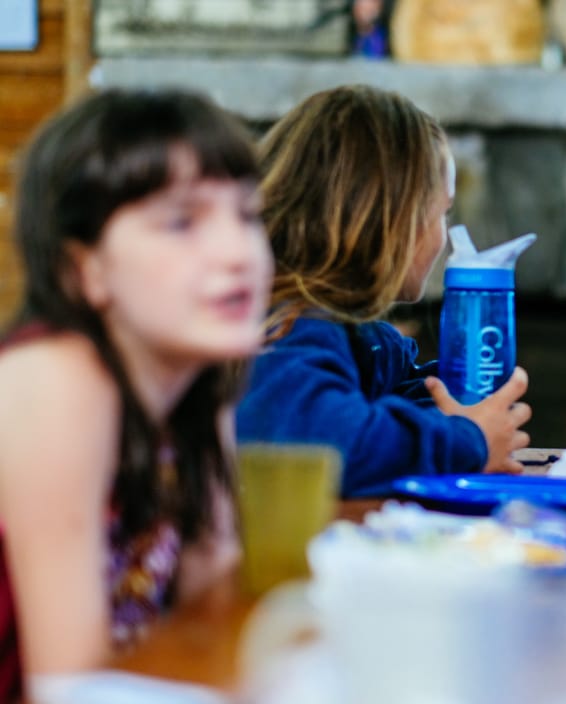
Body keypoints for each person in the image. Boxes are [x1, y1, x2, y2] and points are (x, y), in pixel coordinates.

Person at [0, 88, 274, 699]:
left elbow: (212, 604)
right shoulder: (54, 380)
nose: (238, 253)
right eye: (182, 222)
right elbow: (68, 689)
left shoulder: (197, 377)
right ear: (85, 271)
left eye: (248, 216)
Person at [235, 85, 531, 497]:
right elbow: (328, 444)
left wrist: (468, 399)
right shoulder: (285, 328)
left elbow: (393, 399)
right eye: (441, 213)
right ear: (392, 222)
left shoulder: (357, 339)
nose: (444, 238)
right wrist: (469, 441)